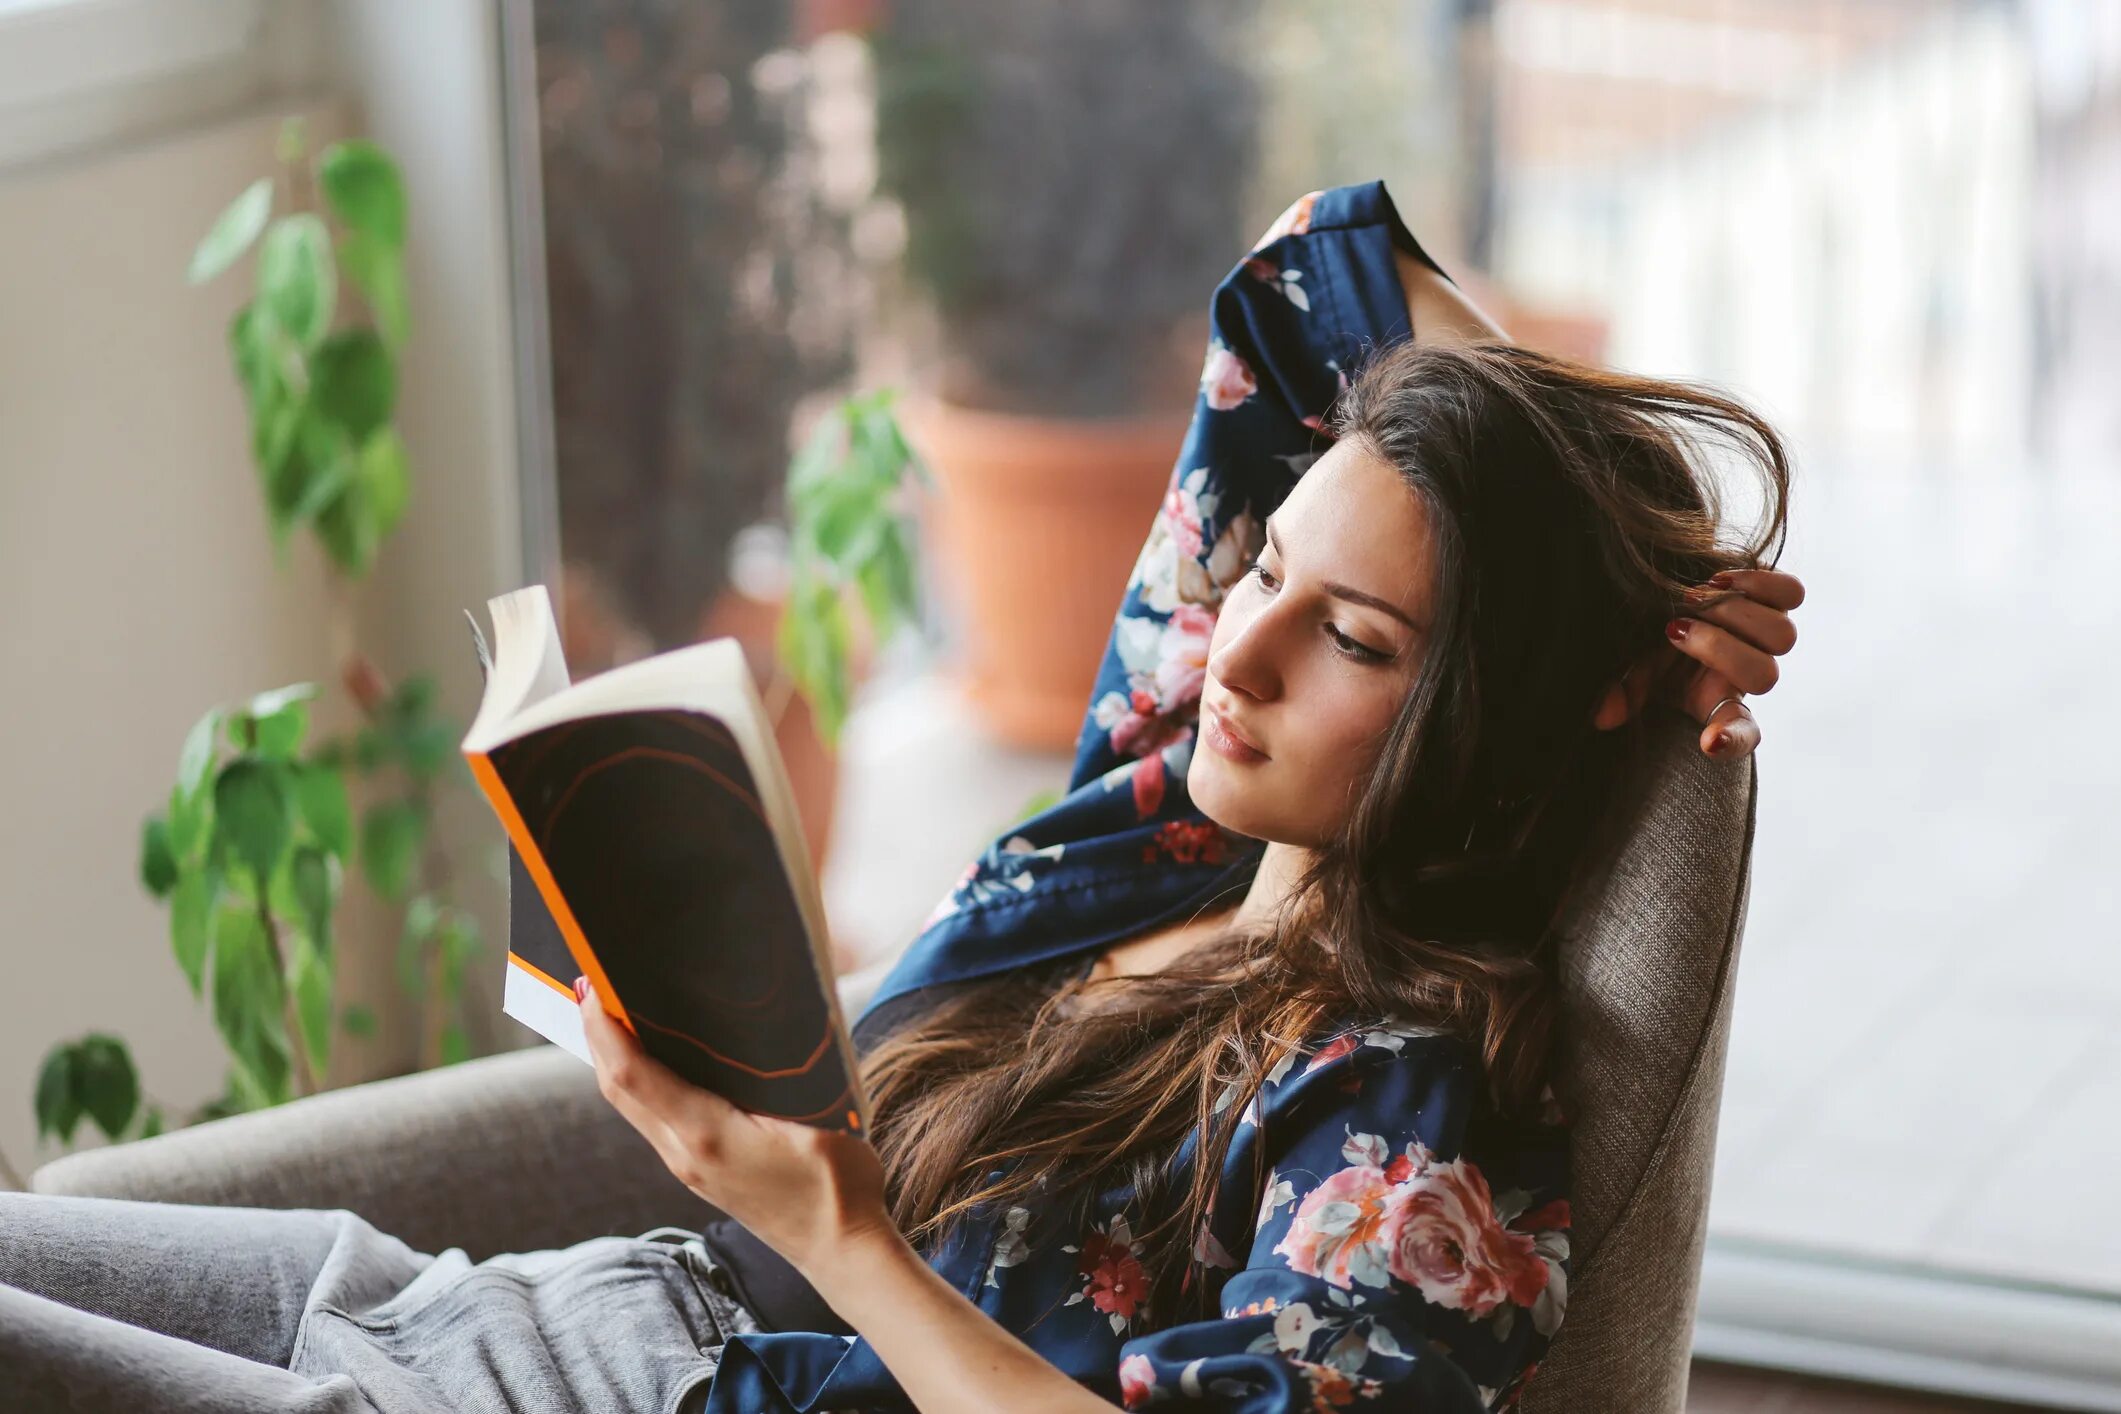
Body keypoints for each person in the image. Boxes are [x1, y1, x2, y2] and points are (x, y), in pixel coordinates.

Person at [0, 180, 1803, 1414]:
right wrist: (1604, 505)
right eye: (1260, 569)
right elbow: (1297, 268)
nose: (1235, 657)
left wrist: (830, 1229)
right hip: (481, 1305)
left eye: (1351, 638)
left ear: (1482, 719)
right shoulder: (1154, 834)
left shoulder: (1406, 1119)